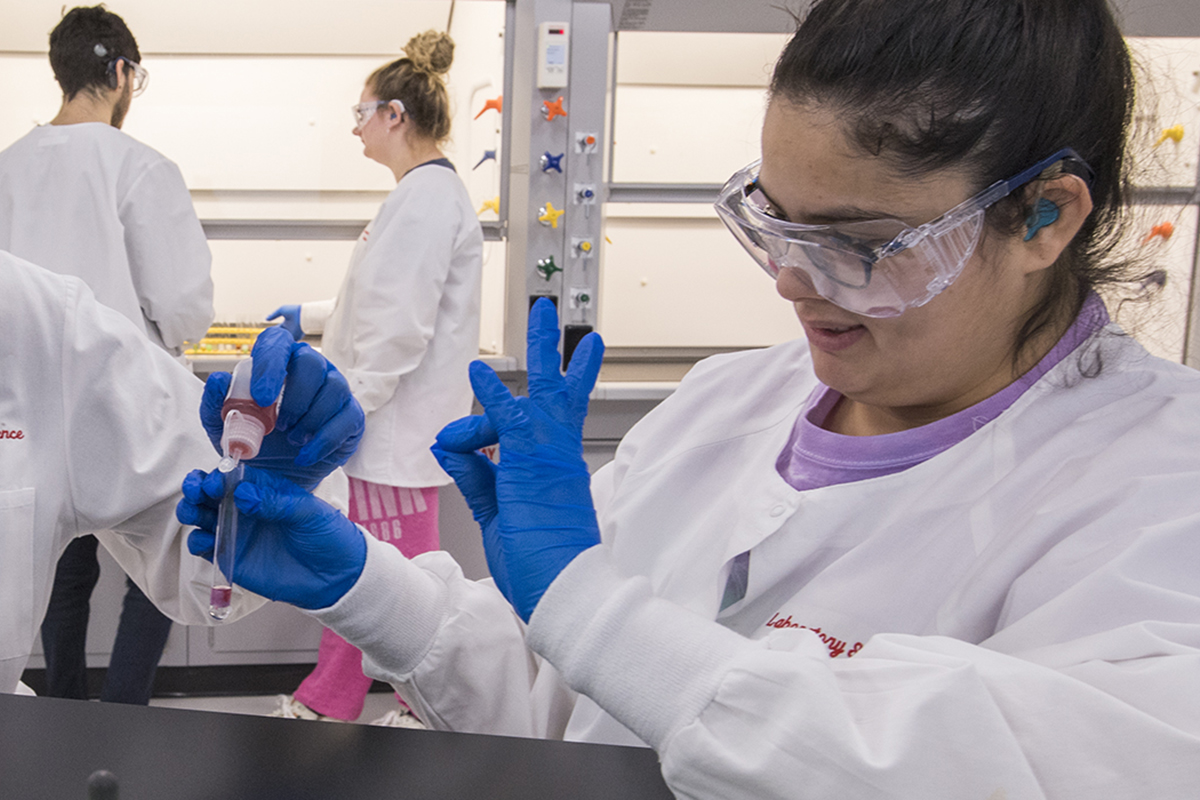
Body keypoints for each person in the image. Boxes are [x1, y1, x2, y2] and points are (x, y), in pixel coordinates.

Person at [177, 0, 1200, 796]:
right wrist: (369, 584)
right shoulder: (729, 402)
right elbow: (576, 703)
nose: (793, 282)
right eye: (775, 224)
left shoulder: (1160, 487)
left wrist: (589, 600)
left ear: (1044, 216)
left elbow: (988, 764)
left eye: (853, 245)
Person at [0, 249, 363, 698]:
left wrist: (274, 490)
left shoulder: (35, 318)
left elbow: (204, 567)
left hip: (92, 393)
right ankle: (108, 707)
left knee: (72, 585)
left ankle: (94, 708)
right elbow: (183, 305)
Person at [264, 29, 482, 725]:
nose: (356, 129)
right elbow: (378, 305)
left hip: (390, 434)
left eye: (361, 114)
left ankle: (362, 706)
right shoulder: (422, 195)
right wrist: (310, 312)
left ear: (395, 114)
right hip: (394, 434)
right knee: (383, 577)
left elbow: (395, 331)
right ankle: (352, 702)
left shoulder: (424, 199)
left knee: (385, 583)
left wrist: (344, 412)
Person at [0, 6, 215, 705]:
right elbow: (184, 306)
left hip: (25, 407)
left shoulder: (6, 167)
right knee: (158, 569)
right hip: (126, 401)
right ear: (123, 72)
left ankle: (62, 707)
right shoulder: (142, 166)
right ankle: (126, 712)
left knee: (56, 565)